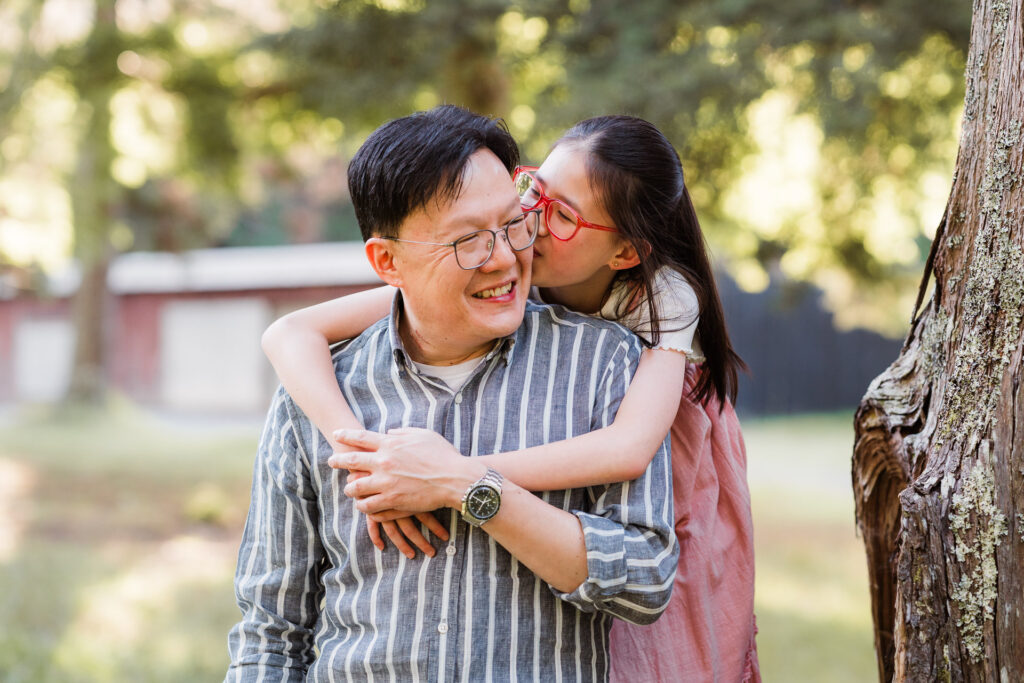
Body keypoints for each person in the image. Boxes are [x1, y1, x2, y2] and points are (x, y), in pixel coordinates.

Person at [263, 114, 760, 681]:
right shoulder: (492, 267)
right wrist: (364, 458)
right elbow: (288, 334)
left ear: (624, 253)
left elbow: (627, 451)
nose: (529, 220)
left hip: (660, 429)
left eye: (564, 216)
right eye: (534, 190)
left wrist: (454, 477)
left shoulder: (659, 304)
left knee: (670, 648)